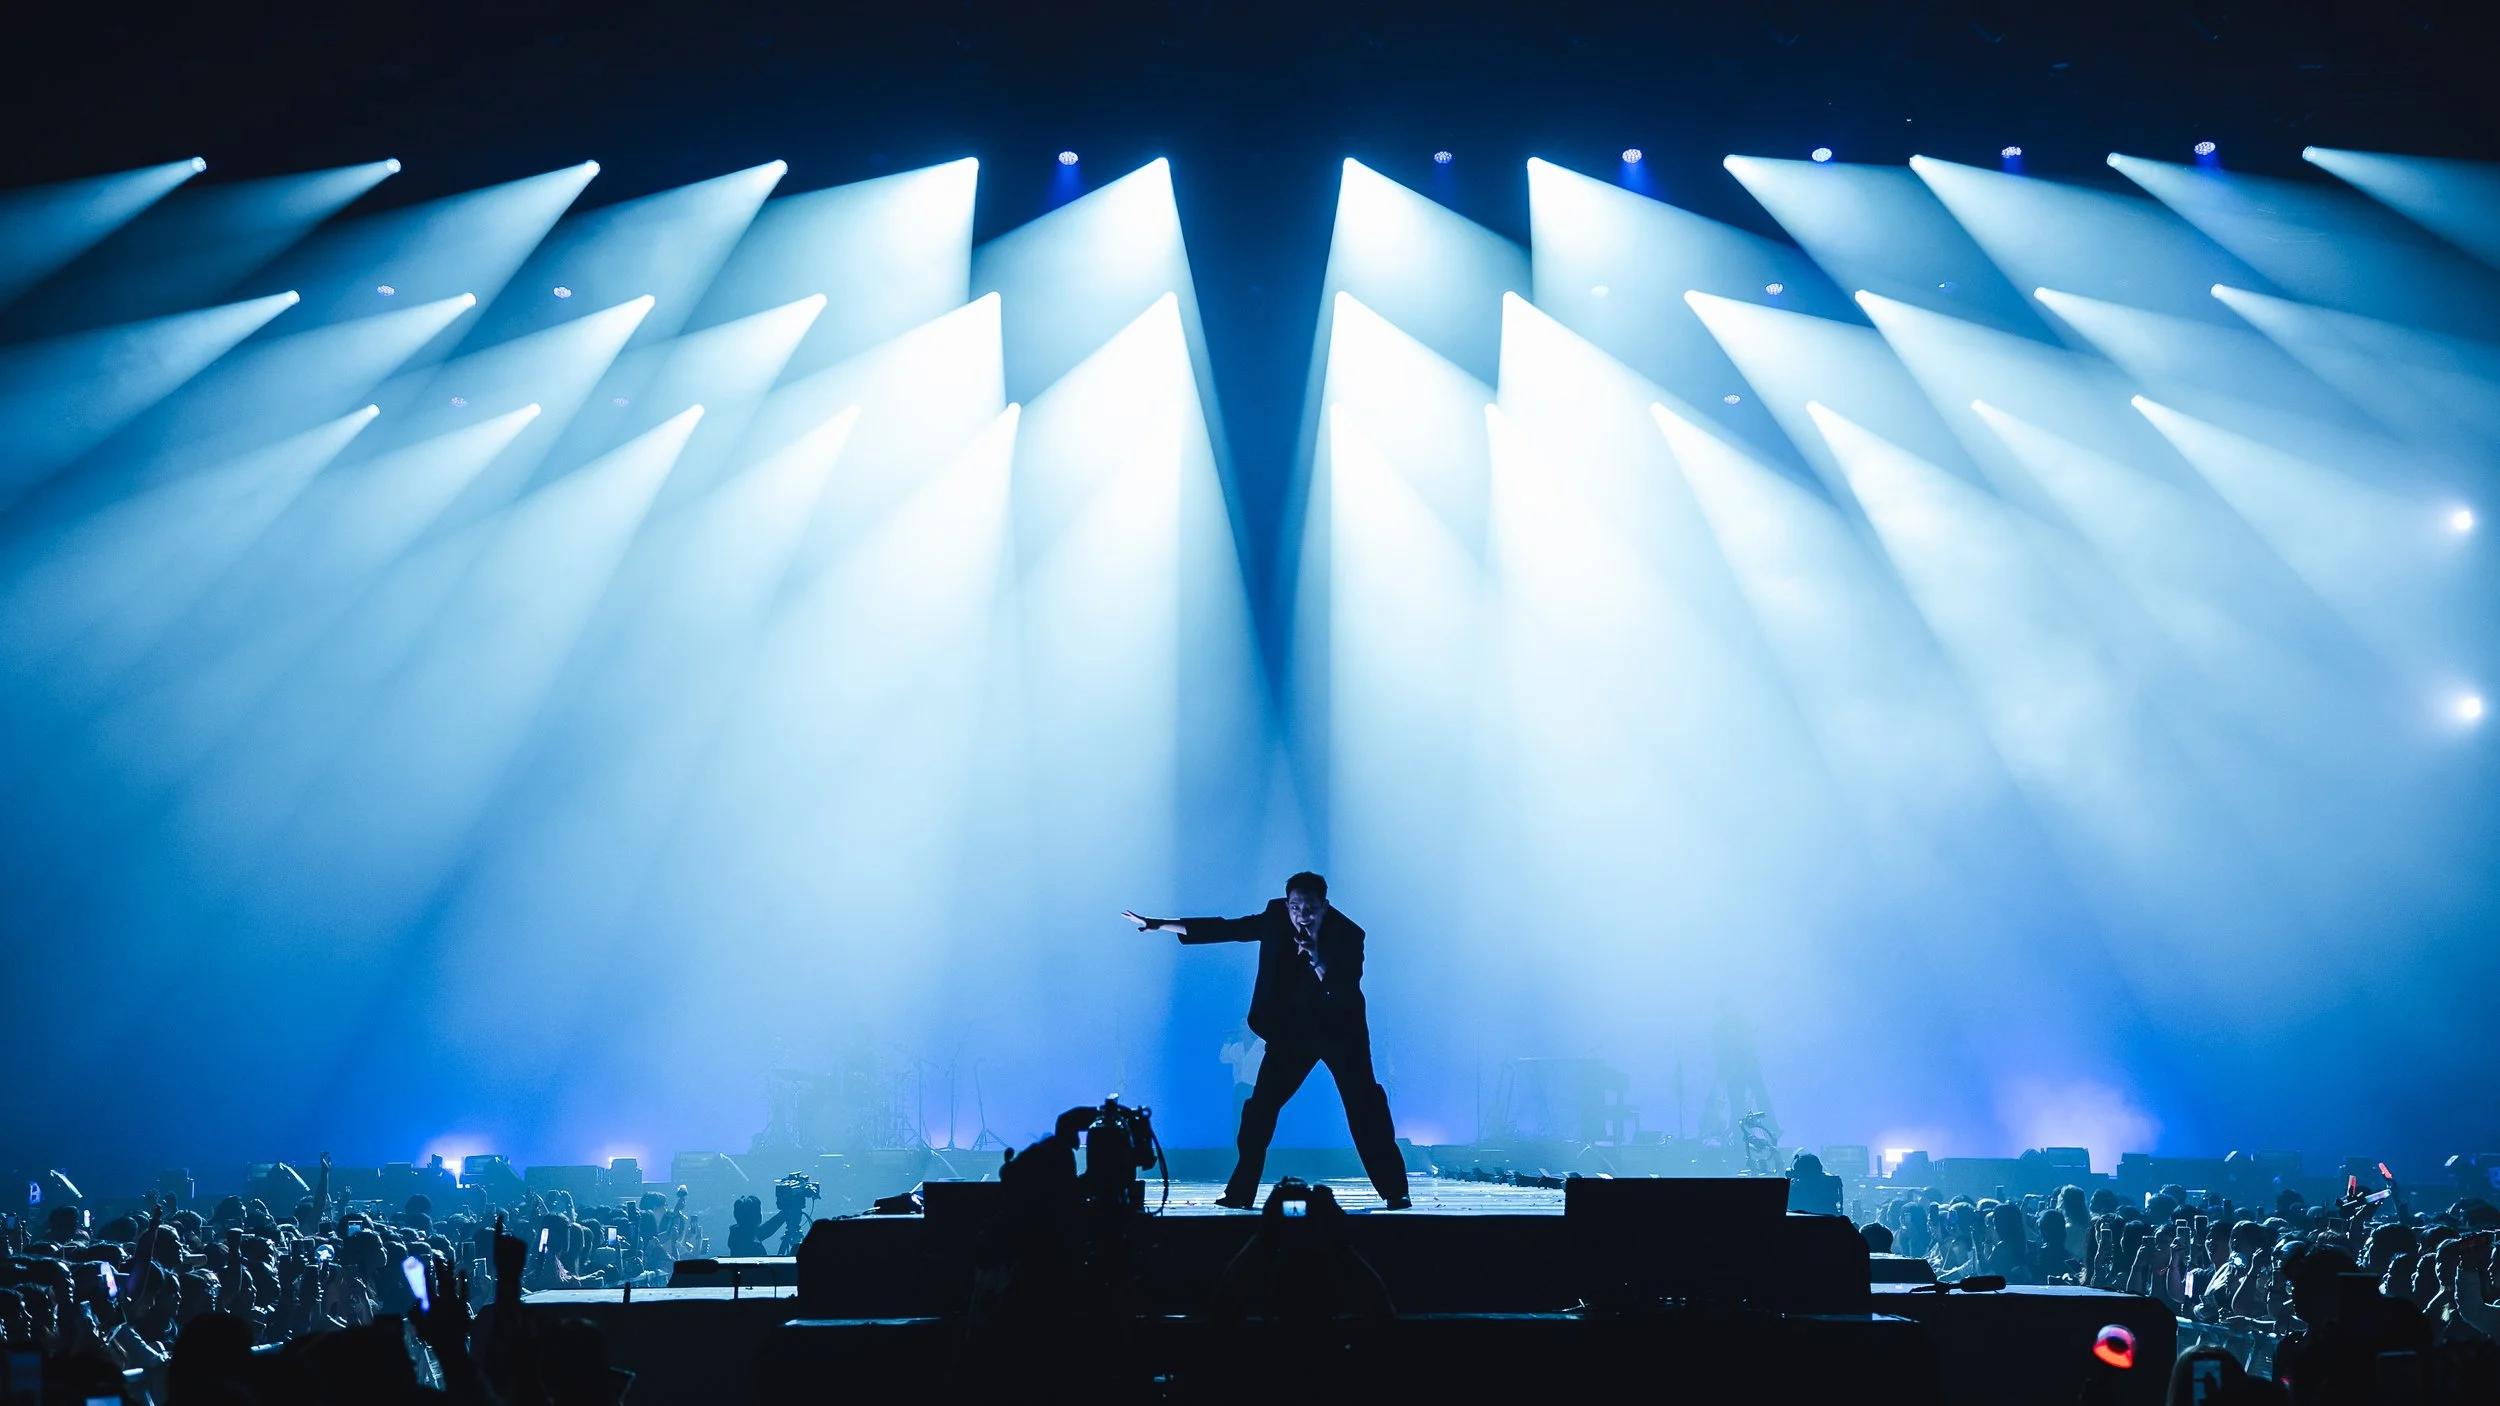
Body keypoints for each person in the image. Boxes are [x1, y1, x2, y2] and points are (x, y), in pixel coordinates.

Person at [1126, 872, 1411, 1210]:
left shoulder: (1348, 934)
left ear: (1325, 906)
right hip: (1292, 1033)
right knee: (1259, 1110)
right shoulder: (1276, 918)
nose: (1301, 915)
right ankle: (1240, 1192)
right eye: (1295, 907)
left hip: (1340, 1032)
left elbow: (1344, 988)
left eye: (1310, 908)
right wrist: (1160, 924)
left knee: (1365, 1107)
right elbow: (1229, 929)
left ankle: (1395, 1190)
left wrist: (1316, 957)